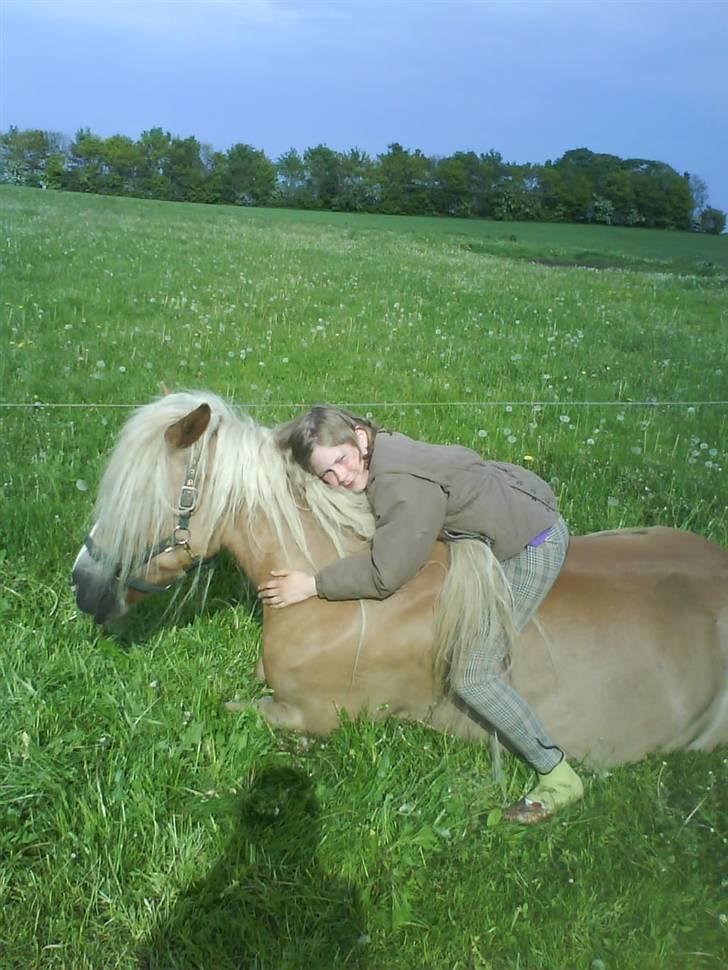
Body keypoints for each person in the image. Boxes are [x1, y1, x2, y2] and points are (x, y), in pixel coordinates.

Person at [259, 405, 584, 824]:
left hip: (532, 545)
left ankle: (557, 774)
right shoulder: (383, 448)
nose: (339, 478)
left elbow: (384, 574)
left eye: (340, 461)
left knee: (472, 675)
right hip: (516, 501)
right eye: (327, 475)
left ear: (359, 437)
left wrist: (312, 584)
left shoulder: (398, 484)